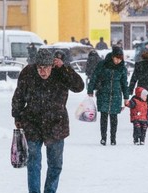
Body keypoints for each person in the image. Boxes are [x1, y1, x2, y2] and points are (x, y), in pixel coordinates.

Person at [11, 48, 84, 193]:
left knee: (55, 164)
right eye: (40, 68)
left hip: (56, 124)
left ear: (52, 65)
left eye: (46, 67)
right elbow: (18, 96)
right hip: (32, 123)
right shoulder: (28, 73)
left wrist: (65, 68)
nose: (42, 71)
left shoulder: (61, 73)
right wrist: (17, 117)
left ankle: (50, 191)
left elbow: (79, 86)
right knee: (33, 163)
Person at [87, 46, 129, 146]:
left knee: (114, 117)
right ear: (112, 57)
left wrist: (126, 97)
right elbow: (94, 76)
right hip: (103, 93)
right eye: (116, 58)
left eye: (120, 59)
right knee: (104, 116)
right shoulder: (103, 64)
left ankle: (113, 138)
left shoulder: (122, 68)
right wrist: (90, 89)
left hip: (116, 94)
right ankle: (103, 138)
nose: (118, 61)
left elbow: (124, 83)